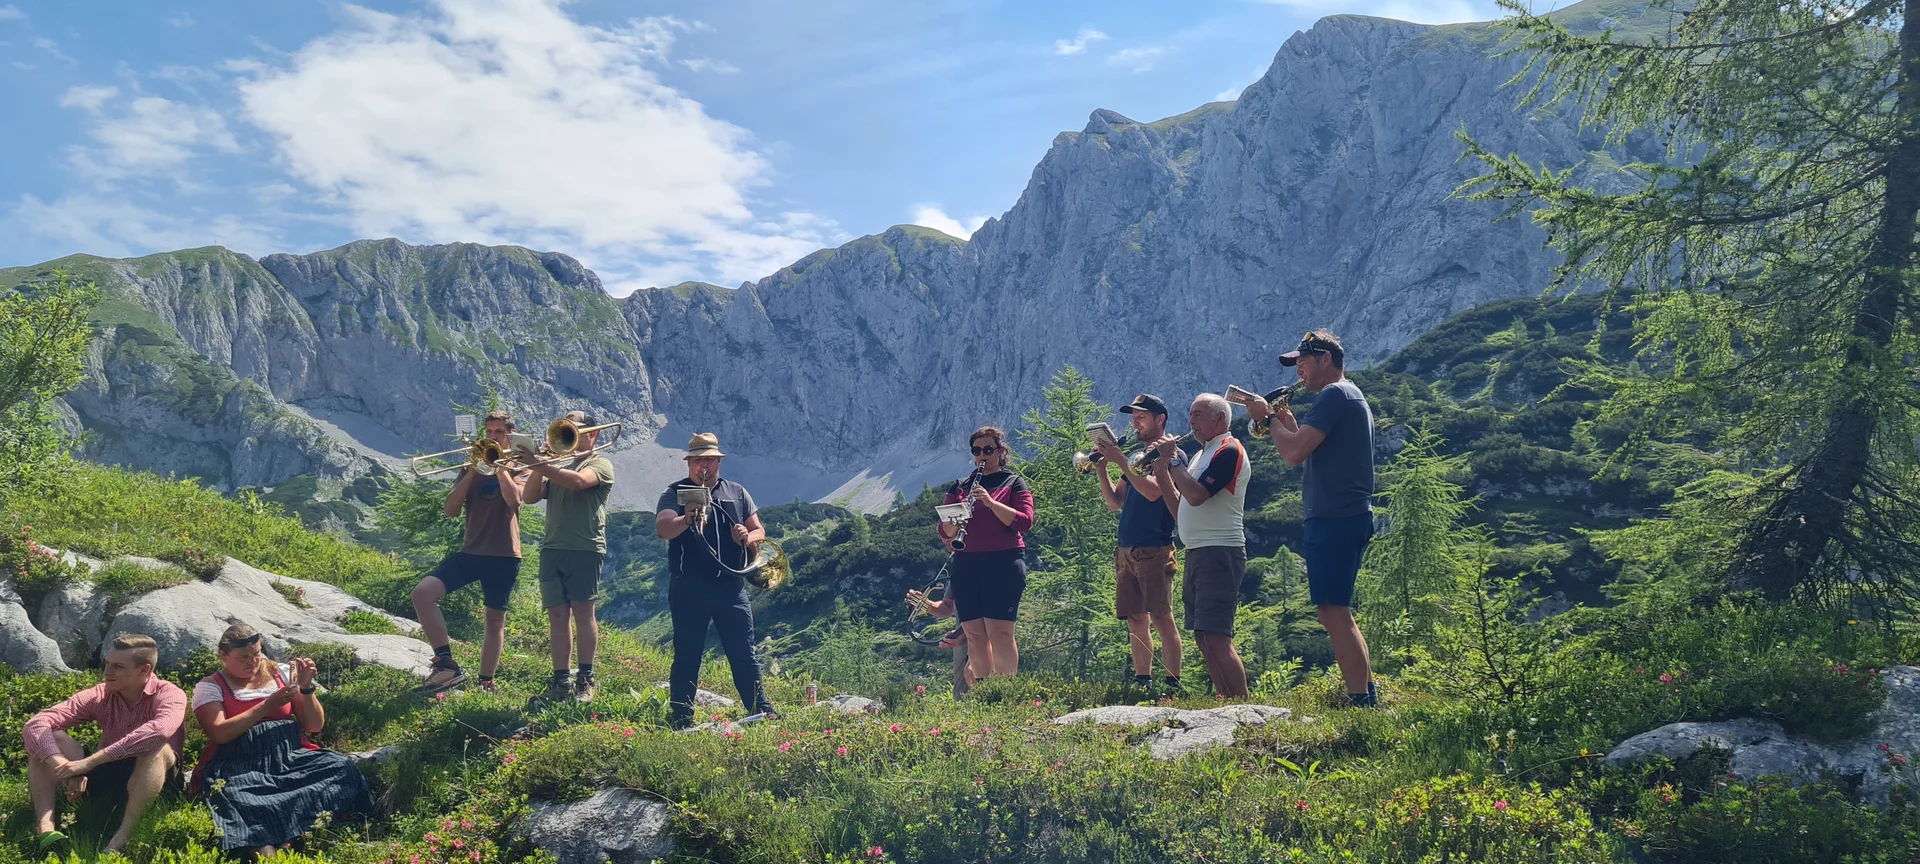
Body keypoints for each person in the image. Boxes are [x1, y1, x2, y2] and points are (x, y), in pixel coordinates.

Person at [1238, 330, 1378, 707]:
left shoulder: (1335, 394)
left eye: (1302, 361)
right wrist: (1286, 420)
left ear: (1326, 360)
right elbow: (1310, 446)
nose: (1297, 369)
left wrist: (1268, 418)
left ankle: (1359, 703)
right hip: (1344, 515)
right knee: (1339, 609)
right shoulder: (1347, 396)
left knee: (1332, 611)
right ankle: (1367, 696)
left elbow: (1294, 453)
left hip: (1334, 516)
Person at [190, 624, 373, 858]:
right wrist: (267, 705)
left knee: (340, 767)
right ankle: (271, 842)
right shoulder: (211, 686)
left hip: (290, 754)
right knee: (241, 796)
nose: (252, 661)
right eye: (243, 657)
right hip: (240, 760)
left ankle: (291, 835)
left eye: (256, 653)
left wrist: (306, 689)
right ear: (223, 656)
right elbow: (219, 733)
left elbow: (314, 726)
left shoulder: (281, 673)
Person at [654, 432, 778, 728]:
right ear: (689, 463)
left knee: (743, 652)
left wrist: (748, 537)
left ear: (718, 461)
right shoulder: (674, 492)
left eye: (709, 459)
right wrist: (685, 519)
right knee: (687, 653)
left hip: (730, 586)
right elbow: (662, 528)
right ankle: (681, 716)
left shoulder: (736, 491)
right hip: (689, 587)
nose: (704, 466)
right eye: (698, 460)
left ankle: (761, 709)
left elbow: (759, 530)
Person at [23, 634, 185, 853]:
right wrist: (63, 766)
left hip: (157, 779)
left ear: (144, 670)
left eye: (118, 666)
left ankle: (122, 838)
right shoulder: (100, 694)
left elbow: (159, 730)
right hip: (108, 771)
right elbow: (36, 724)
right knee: (51, 737)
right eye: (107, 663)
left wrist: (88, 763)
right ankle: (46, 830)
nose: (107, 672)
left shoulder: (170, 694)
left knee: (155, 747)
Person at [413, 409, 524, 693]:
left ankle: (486, 681)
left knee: (494, 620)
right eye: (489, 433)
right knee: (423, 593)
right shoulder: (471, 466)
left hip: (504, 554)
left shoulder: (519, 466)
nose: (493, 437)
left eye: (499, 432)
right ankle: (447, 664)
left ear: (510, 435)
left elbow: (514, 501)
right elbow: (450, 510)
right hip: (472, 551)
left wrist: (499, 467)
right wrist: (472, 472)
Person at [1147, 394, 1251, 698]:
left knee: (1217, 636)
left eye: (1199, 415)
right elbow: (1181, 509)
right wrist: (1163, 471)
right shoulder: (1200, 455)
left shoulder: (1228, 450)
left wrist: (1174, 460)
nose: (1191, 421)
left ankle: (1243, 706)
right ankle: (1225, 702)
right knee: (1203, 637)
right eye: (1190, 414)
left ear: (1220, 419)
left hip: (1220, 551)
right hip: (1198, 552)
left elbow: (1196, 496)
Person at [518, 409, 616, 703]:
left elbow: (577, 482)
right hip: (553, 548)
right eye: (565, 428)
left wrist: (538, 462)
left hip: (584, 547)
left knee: (584, 614)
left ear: (593, 434)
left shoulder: (601, 463)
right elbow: (529, 497)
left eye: (574, 429)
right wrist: (539, 465)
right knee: (557, 616)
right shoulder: (557, 465)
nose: (567, 433)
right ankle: (560, 680)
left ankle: (586, 678)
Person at [1095, 394, 1185, 695]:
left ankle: (1172, 683)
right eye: (1133, 415)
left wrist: (1120, 460)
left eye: (1142, 416)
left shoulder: (1170, 454)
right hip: (1127, 547)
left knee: (1161, 616)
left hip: (1154, 547)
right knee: (1135, 617)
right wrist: (1100, 467)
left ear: (1160, 419)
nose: (1135, 421)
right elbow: (1115, 502)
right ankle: (1143, 681)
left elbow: (1152, 493)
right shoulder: (1136, 456)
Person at [937, 425, 1035, 684]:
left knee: (1000, 632)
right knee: (975, 634)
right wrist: (958, 516)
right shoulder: (960, 486)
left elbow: (1025, 521)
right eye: (977, 450)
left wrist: (991, 503)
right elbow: (944, 531)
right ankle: (984, 692)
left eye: (988, 449)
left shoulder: (1013, 482)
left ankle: (1006, 693)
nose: (982, 455)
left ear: (1001, 452)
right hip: (967, 563)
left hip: (1004, 562)